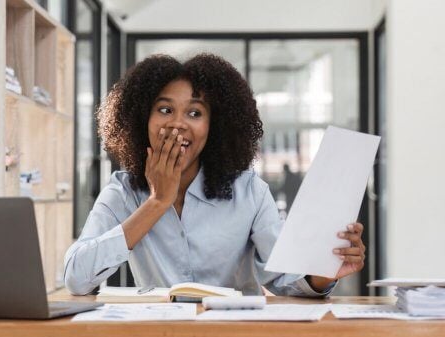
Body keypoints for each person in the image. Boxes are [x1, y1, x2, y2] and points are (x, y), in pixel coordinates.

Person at [64, 53, 365, 296]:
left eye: (195, 113)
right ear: (142, 118)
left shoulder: (249, 192)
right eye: (165, 110)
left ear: (214, 126)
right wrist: (156, 203)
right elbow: (77, 277)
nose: (178, 124)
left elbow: (284, 278)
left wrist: (323, 274)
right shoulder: (123, 191)